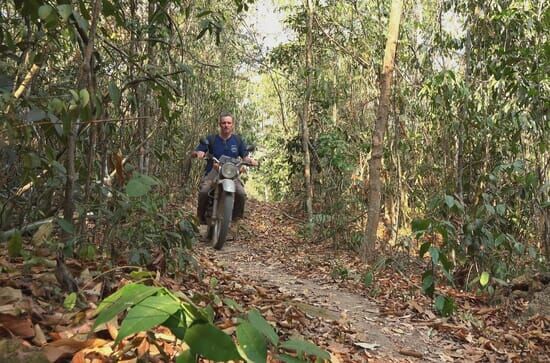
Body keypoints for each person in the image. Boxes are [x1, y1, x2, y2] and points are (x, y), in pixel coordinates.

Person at [191, 112, 258, 224]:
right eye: (224, 123)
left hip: (231, 173)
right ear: (220, 124)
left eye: (229, 123)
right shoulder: (211, 139)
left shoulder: (237, 140)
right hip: (213, 172)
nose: (226, 125)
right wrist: (198, 153)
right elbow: (199, 150)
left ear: (232, 125)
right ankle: (199, 217)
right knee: (204, 191)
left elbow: (245, 157)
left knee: (241, 193)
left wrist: (251, 161)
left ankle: (236, 220)